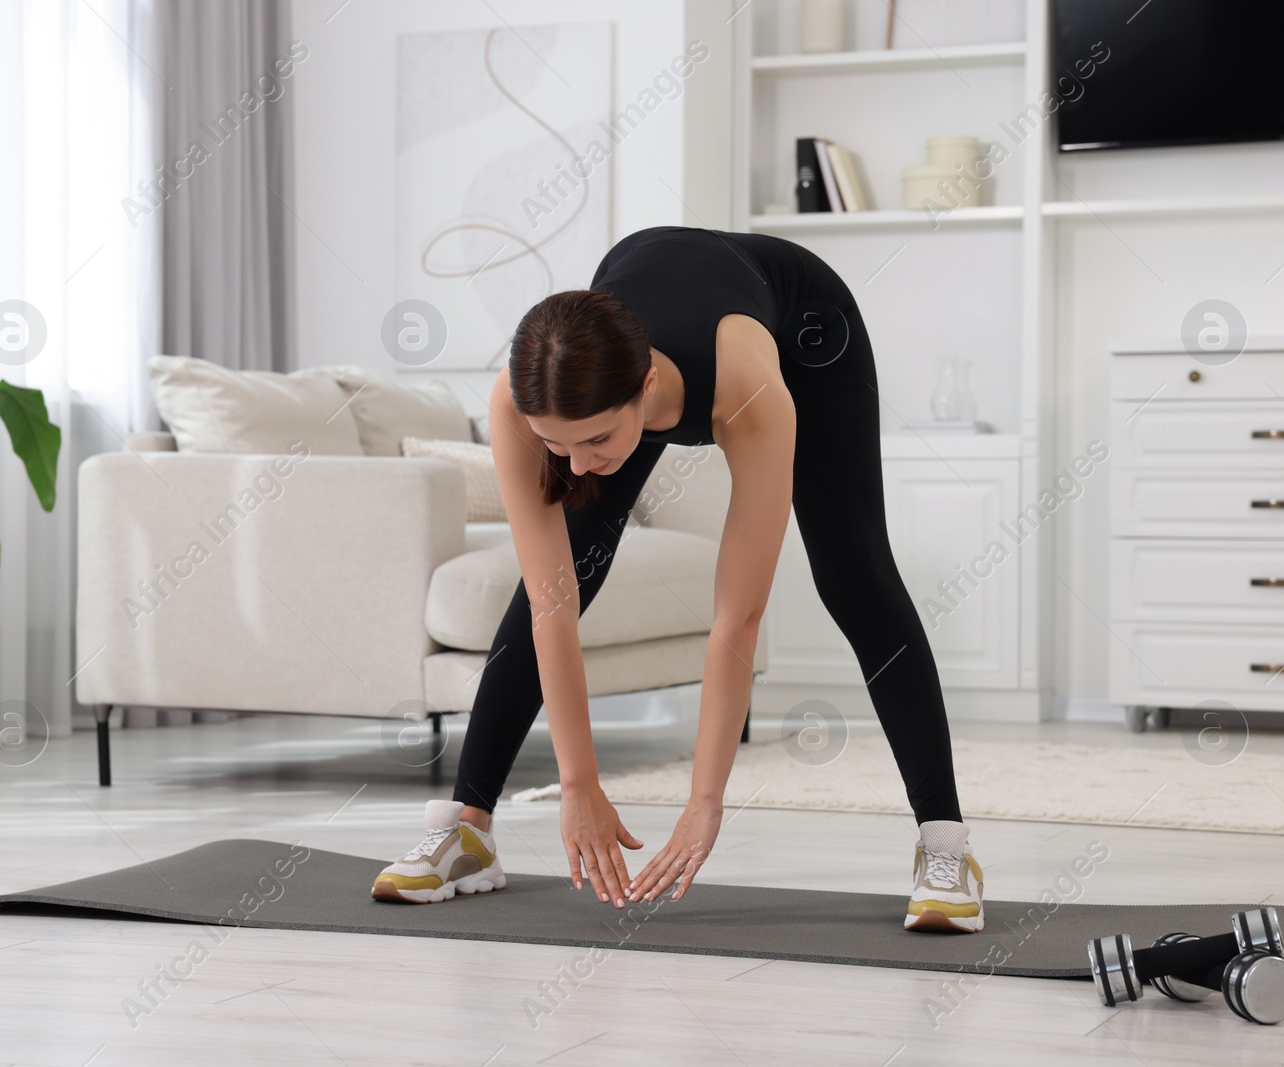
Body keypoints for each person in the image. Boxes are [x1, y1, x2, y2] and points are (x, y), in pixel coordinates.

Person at [371, 225, 983, 932]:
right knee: (566, 571)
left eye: (597, 440)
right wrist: (577, 783)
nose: (576, 466)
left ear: (648, 389)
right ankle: (466, 831)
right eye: (554, 446)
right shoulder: (524, 398)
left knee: (853, 573)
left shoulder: (750, 389)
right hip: (631, 356)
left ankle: (945, 846)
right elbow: (551, 600)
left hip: (808, 332)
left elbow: (738, 617)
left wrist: (703, 802)